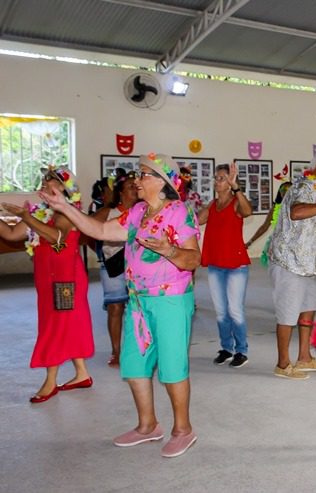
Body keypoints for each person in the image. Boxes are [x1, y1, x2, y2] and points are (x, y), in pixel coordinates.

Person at [41, 153, 201, 458]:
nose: (136, 180)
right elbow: (100, 231)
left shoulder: (179, 212)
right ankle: (147, 426)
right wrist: (64, 207)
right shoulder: (138, 211)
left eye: (143, 175)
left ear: (162, 181)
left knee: (171, 366)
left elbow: (194, 258)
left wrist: (170, 251)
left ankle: (183, 429)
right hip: (138, 301)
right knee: (134, 363)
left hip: (170, 301)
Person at [0, 166, 94, 403]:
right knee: (64, 324)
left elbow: (57, 239)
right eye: (43, 181)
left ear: (64, 188)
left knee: (55, 326)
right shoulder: (42, 213)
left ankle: (50, 381)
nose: (43, 184)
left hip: (65, 282)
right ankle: (82, 374)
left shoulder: (67, 213)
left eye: (49, 181)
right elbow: (12, 234)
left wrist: (27, 218)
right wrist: (25, 218)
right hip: (47, 280)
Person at [268, 149, 316, 379]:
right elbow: (296, 212)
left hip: (307, 264)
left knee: (308, 309)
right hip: (289, 262)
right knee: (288, 314)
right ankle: (283, 364)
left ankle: (304, 357)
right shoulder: (304, 187)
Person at [198, 163, 253, 368]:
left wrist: (236, 188)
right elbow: (195, 221)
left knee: (235, 310)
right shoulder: (212, 206)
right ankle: (227, 348)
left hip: (236, 266)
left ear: (229, 183)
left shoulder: (236, 203)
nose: (216, 181)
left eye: (221, 178)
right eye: (216, 178)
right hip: (215, 264)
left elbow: (248, 212)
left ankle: (241, 350)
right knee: (221, 311)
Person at [92, 171, 139, 367]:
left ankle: (139, 348)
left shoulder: (143, 211)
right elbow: (87, 230)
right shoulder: (107, 213)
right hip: (113, 267)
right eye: (130, 187)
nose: (135, 190)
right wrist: (102, 253)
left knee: (139, 309)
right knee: (115, 308)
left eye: (136, 186)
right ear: (120, 192)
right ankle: (116, 351)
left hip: (138, 268)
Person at [246, 181, 292, 264]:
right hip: (278, 246)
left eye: (289, 190)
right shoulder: (275, 209)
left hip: (294, 247)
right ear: (280, 193)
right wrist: (250, 242)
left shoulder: (299, 208)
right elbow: (264, 227)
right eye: (283, 190)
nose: (286, 192)